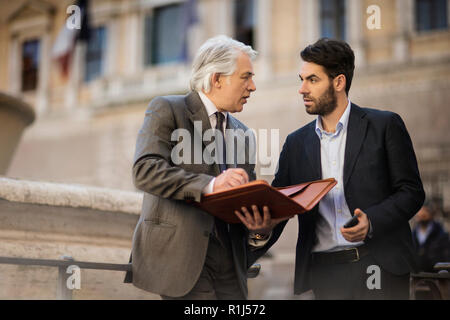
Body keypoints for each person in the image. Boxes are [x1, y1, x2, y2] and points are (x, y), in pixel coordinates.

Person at [236, 38, 425, 299]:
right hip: (325, 273)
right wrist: (260, 232)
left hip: (380, 266)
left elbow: (411, 192)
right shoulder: (295, 144)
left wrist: (371, 221)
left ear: (339, 82)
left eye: (312, 80)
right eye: (301, 79)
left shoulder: (384, 126)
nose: (302, 89)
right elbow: (279, 206)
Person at [124, 35, 283, 300]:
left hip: (231, 268)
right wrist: (211, 185)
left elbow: (244, 208)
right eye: (246, 77)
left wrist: (259, 230)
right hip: (182, 263)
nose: (253, 86)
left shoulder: (245, 134)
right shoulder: (167, 109)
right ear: (217, 79)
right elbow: (145, 170)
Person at [412, 202, 450, 272]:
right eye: (419, 211)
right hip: (416, 277)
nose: (421, 214)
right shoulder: (412, 234)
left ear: (431, 213)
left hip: (435, 276)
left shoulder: (441, 234)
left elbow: (446, 257)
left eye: (425, 211)